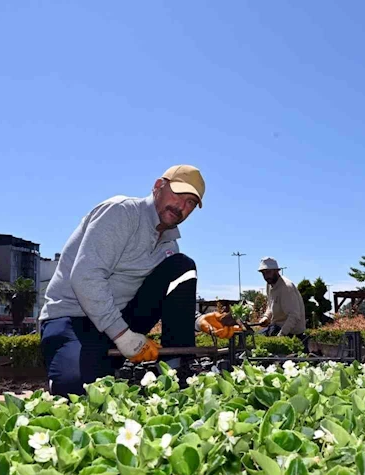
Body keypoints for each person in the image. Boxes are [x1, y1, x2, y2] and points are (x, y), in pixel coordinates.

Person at [39, 165, 239, 395]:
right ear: (157, 187)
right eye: (178, 194)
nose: (181, 206)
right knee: (77, 390)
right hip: (72, 319)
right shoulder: (121, 213)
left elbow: (163, 295)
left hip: (116, 323)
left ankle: (176, 370)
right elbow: (85, 276)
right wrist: (123, 337)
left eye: (191, 203)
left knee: (182, 266)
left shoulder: (169, 246)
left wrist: (198, 320)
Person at [257, 257, 306, 337]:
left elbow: (294, 316)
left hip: (292, 332)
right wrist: (266, 317)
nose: (266, 276)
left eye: (268, 272)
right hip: (276, 327)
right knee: (254, 338)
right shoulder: (270, 284)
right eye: (263, 273)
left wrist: (281, 335)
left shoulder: (286, 287)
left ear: (277, 271)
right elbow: (271, 305)